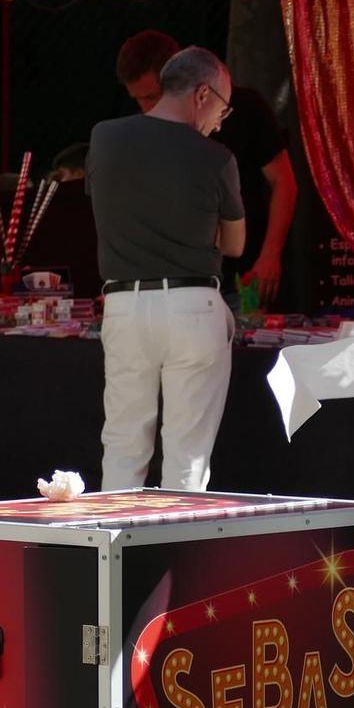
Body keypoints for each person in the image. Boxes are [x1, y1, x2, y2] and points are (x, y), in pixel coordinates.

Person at [86, 47, 245, 491]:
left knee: (121, 443)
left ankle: (112, 553)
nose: (220, 119)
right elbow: (235, 245)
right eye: (222, 107)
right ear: (202, 94)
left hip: (124, 304)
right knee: (187, 454)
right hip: (194, 305)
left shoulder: (104, 137)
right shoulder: (217, 158)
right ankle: (174, 554)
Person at [115, 30, 299, 308]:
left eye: (152, 96)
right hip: (178, 287)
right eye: (138, 99)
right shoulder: (145, 132)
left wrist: (270, 255)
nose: (146, 108)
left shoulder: (246, 108)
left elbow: (284, 182)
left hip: (244, 277)